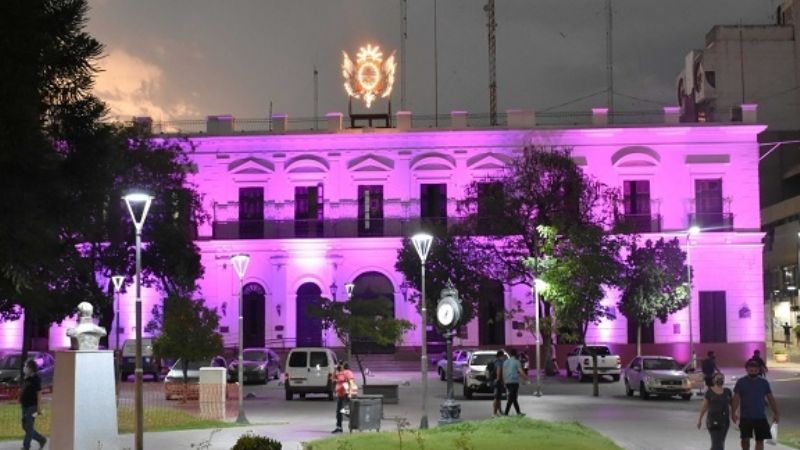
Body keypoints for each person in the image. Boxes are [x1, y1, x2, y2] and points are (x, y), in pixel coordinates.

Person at [732, 359, 780, 450]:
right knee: (745, 439)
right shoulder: (741, 382)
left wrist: (776, 413)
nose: (753, 372)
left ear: (759, 370)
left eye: (755, 370)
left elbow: (771, 399)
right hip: (745, 417)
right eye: (751, 370)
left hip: (760, 417)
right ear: (746, 370)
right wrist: (733, 412)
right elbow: (736, 398)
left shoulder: (764, 383)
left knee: (760, 440)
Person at [697, 372, 732, 450]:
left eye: (722, 378)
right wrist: (699, 420)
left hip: (724, 421)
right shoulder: (709, 392)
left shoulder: (727, 391)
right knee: (717, 444)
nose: (720, 380)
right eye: (718, 378)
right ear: (713, 380)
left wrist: (734, 416)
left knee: (721, 442)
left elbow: (732, 404)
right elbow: (704, 407)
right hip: (713, 420)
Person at [20, 359, 47, 450]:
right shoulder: (27, 377)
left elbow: (39, 393)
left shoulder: (36, 379)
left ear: (31, 368)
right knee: (25, 426)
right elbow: (25, 389)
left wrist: (39, 407)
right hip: (25, 405)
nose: (24, 368)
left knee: (29, 426)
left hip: (32, 406)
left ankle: (26, 446)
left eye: (26, 366)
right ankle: (41, 439)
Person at [331, 362, 355, 434]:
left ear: (344, 366)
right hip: (340, 395)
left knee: (345, 411)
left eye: (341, 364)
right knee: (338, 412)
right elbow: (332, 378)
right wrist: (335, 369)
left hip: (346, 395)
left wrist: (350, 393)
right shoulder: (340, 373)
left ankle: (353, 423)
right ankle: (339, 427)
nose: (340, 366)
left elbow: (351, 382)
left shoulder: (348, 372)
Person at [502, 348, 527, 416]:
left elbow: (503, 372)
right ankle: (506, 413)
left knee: (513, 397)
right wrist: (525, 377)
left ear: (510, 354)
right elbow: (521, 371)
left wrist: (504, 381)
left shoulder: (505, 362)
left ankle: (518, 412)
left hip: (507, 381)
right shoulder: (517, 362)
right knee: (512, 397)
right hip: (514, 382)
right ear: (516, 354)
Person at [487, 350, 506, 416]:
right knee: (496, 398)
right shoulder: (499, 362)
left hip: (493, 381)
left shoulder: (494, 361)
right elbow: (499, 371)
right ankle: (494, 413)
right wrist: (499, 380)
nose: (503, 357)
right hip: (497, 382)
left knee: (498, 397)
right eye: (503, 356)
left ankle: (500, 411)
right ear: (500, 356)